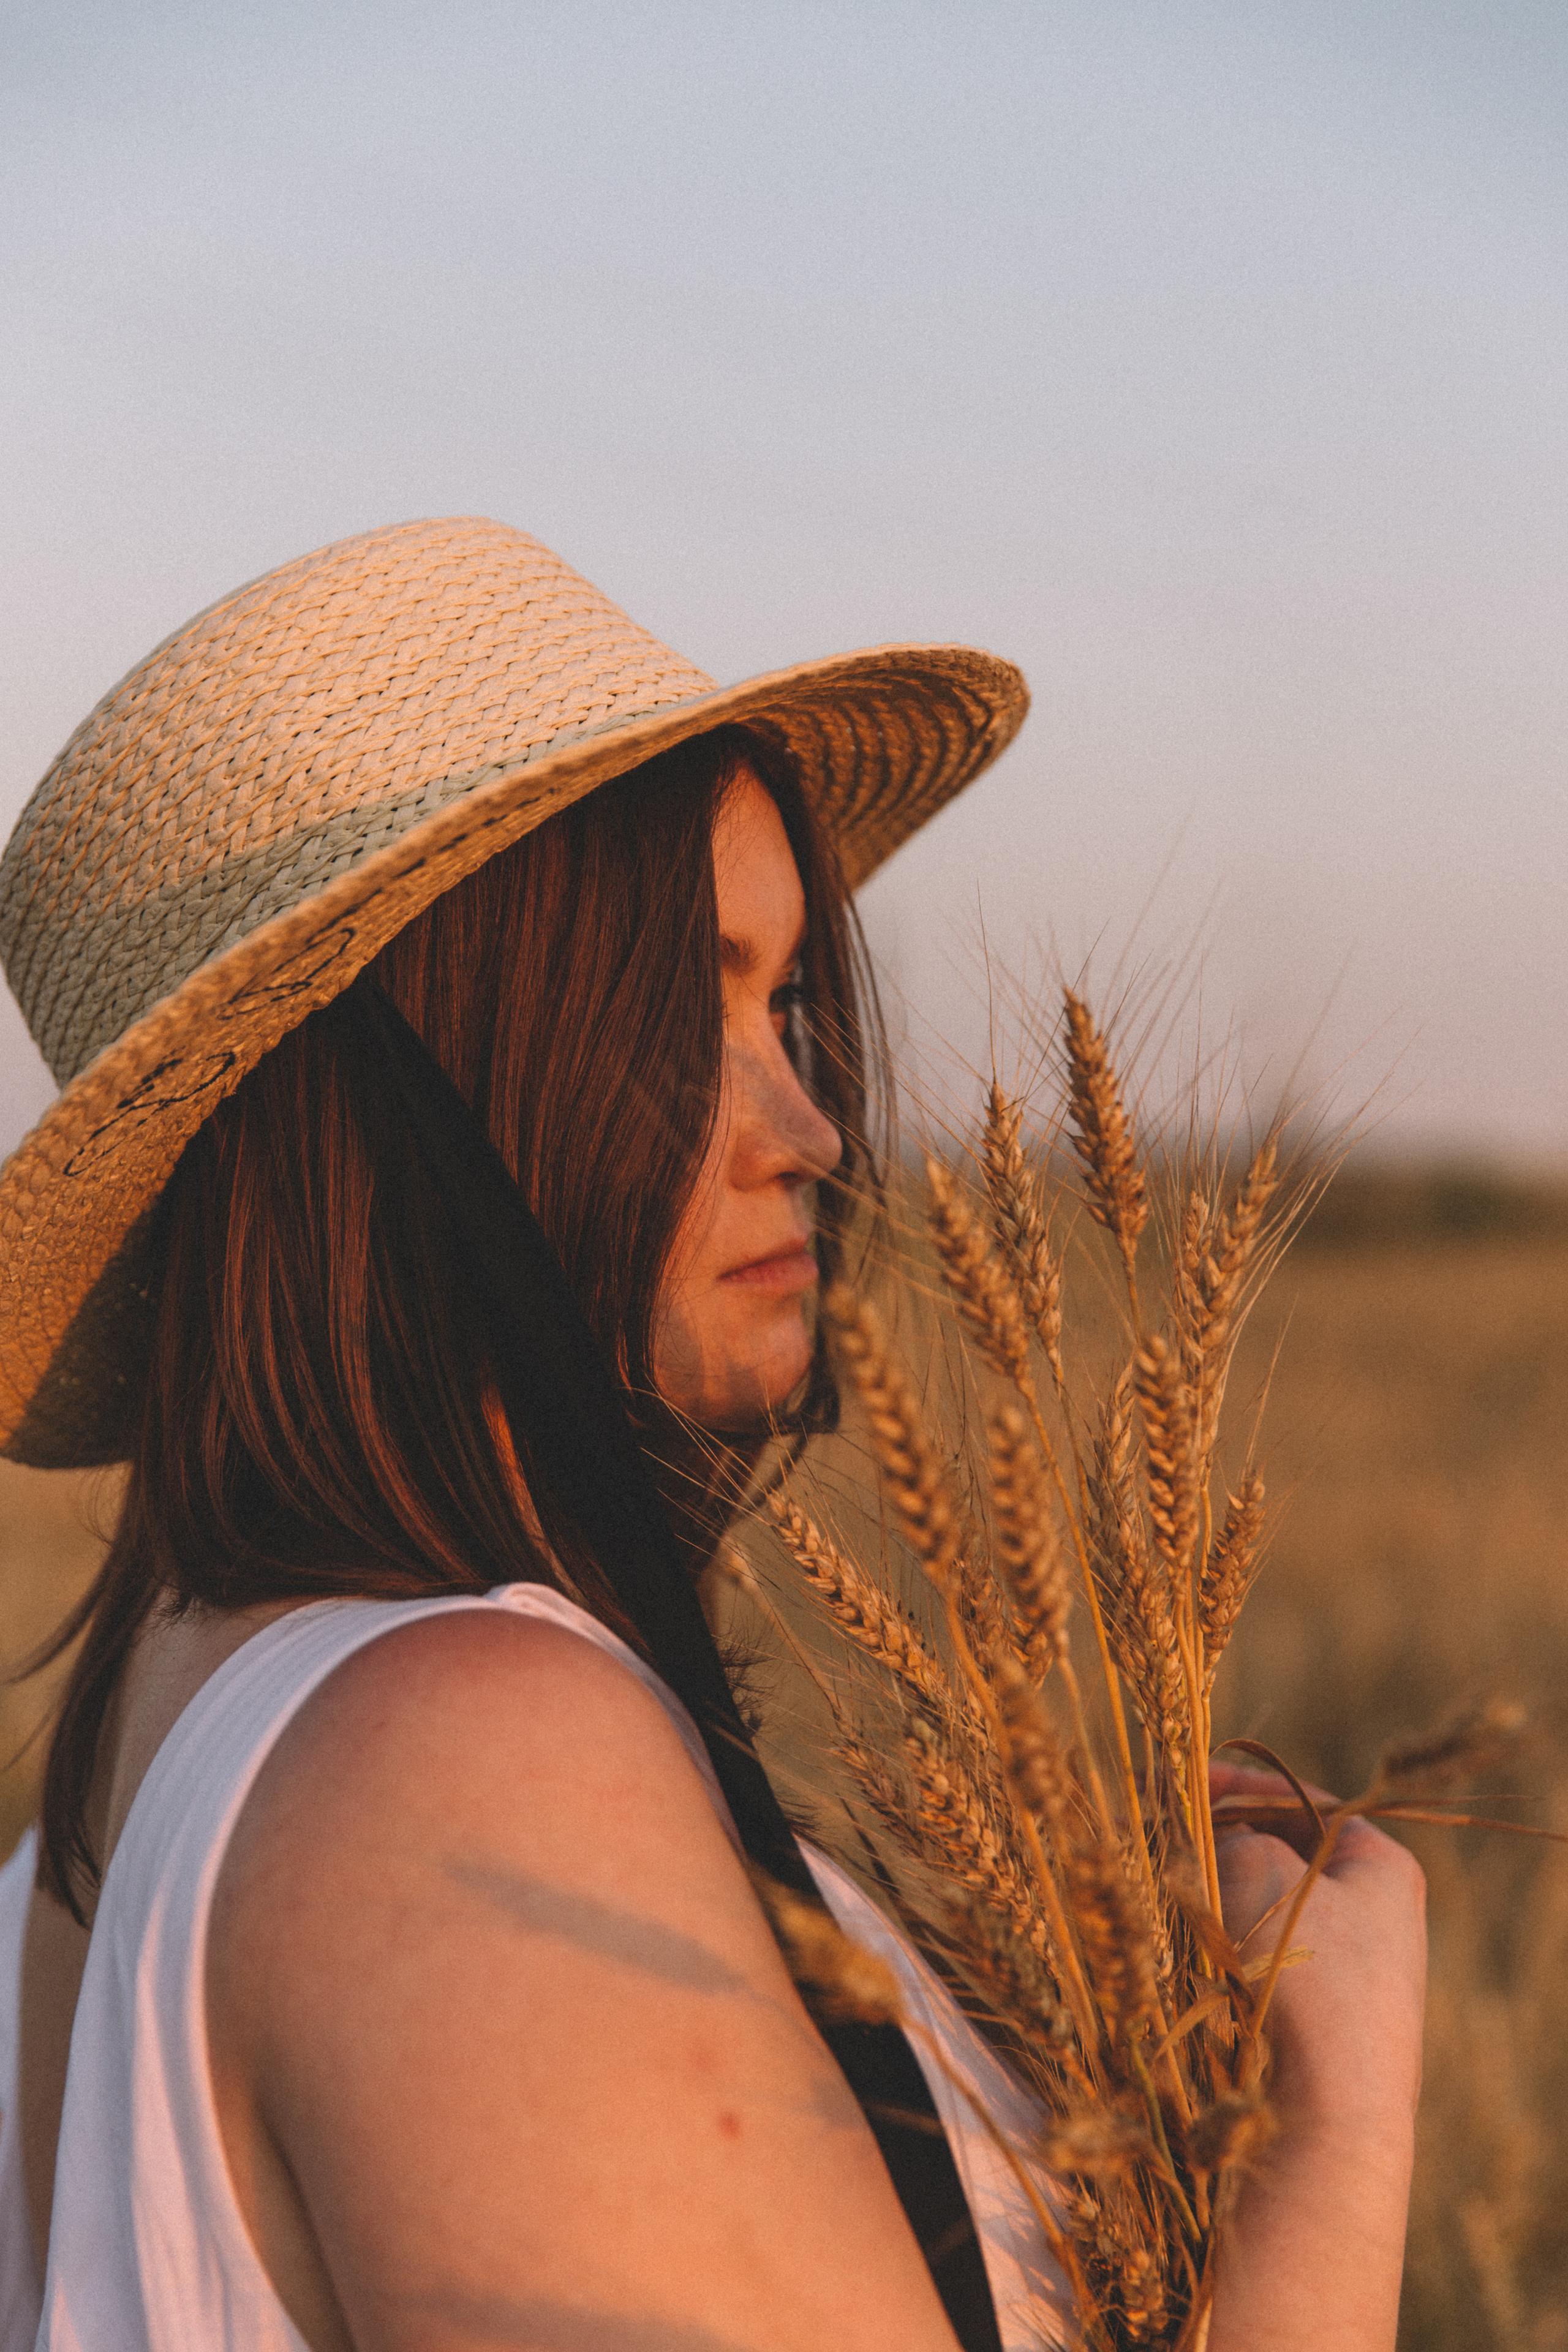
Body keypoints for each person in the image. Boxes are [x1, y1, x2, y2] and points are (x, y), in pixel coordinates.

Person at [0, 518, 1425, 2350]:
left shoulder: (123, 1783)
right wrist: (1339, 2128)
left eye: (791, 1004)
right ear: (420, 1110)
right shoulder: (463, 1768)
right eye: (683, 1010)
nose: (814, 1128)